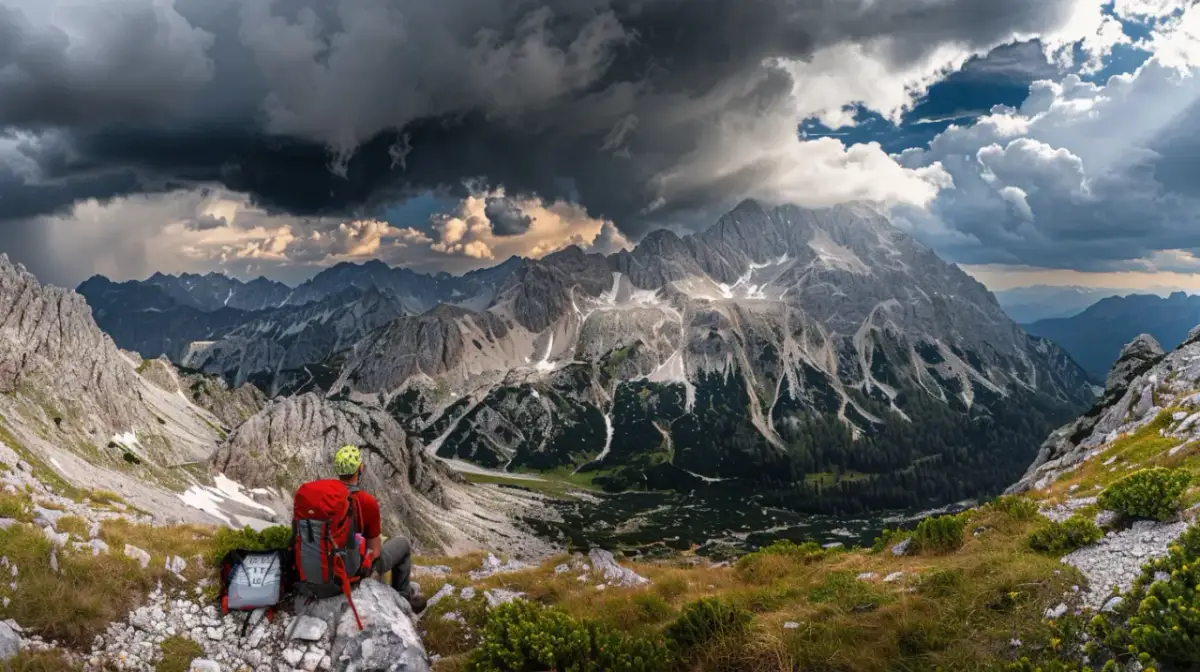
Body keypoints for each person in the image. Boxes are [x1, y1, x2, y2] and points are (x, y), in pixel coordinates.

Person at [332, 444, 427, 614]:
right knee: (403, 544)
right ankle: (402, 596)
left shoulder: (328, 497)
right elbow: (374, 552)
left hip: (330, 562)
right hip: (355, 567)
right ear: (360, 468)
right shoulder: (367, 501)